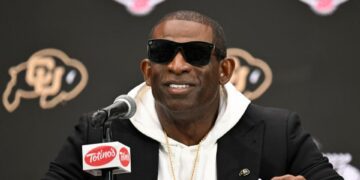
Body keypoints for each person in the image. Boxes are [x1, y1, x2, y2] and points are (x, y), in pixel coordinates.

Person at [43, 10, 342, 180]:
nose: (177, 66)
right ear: (148, 71)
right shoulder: (102, 130)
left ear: (224, 70)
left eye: (196, 54)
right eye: (163, 53)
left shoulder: (277, 132)